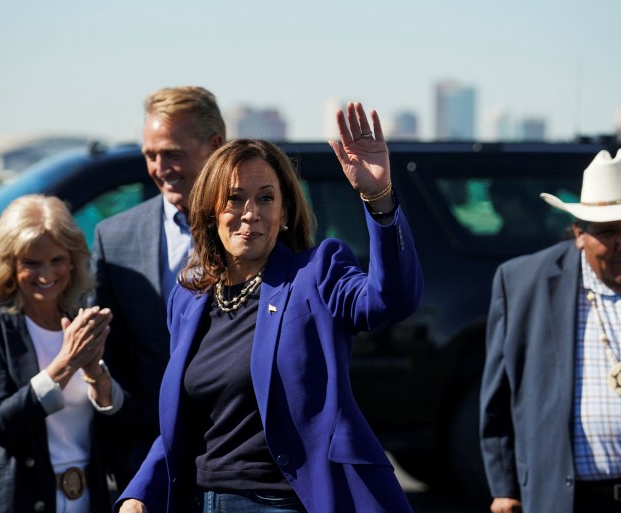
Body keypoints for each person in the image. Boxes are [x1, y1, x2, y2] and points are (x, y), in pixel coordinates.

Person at [116, 102, 422, 513]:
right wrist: (140, 492)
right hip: (198, 501)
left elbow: (390, 300)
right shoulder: (187, 299)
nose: (250, 214)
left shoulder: (316, 272)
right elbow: (183, 420)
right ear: (209, 212)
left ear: (284, 212)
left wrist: (378, 197)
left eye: (265, 198)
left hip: (282, 502)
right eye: (235, 199)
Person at [480, 148, 621, 513]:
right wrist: (505, 488)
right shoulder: (524, 283)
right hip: (569, 501)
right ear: (579, 233)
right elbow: (499, 398)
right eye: (608, 231)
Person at [0, 195, 127, 513]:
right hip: (13, 499)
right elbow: (0, 423)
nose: (46, 274)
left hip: (88, 499)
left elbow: (119, 426)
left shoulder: (82, 318)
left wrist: (96, 376)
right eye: (31, 263)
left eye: (57, 260)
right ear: (9, 264)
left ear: (73, 259)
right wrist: (66, 363)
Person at [91, 86, 225, 487]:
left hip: (240, 454)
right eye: (151, 155)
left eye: (173, 153)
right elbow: (113, 357)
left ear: (215, 146)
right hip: (149, 455)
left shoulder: (256, 229)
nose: (160, 167)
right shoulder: (114, 238)